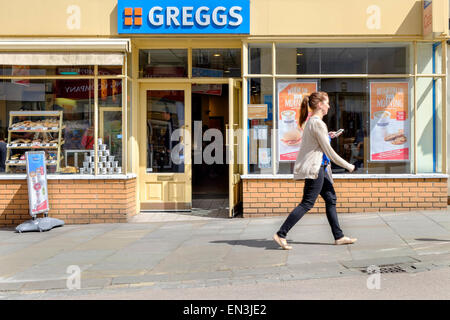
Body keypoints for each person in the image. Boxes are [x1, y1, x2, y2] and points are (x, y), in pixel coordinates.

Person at [273, 92, 357, 250]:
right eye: (327, 103)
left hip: (321, 168)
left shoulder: (313, 122)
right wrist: (349, 166)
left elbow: (318, 143)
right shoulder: (317, 123)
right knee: (306, 203)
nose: (329, 106)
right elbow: (330, 152)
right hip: (316, 169)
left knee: (331, 199)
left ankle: (338, 237)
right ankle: (281, 234)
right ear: (320, 105)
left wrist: (328, 136)